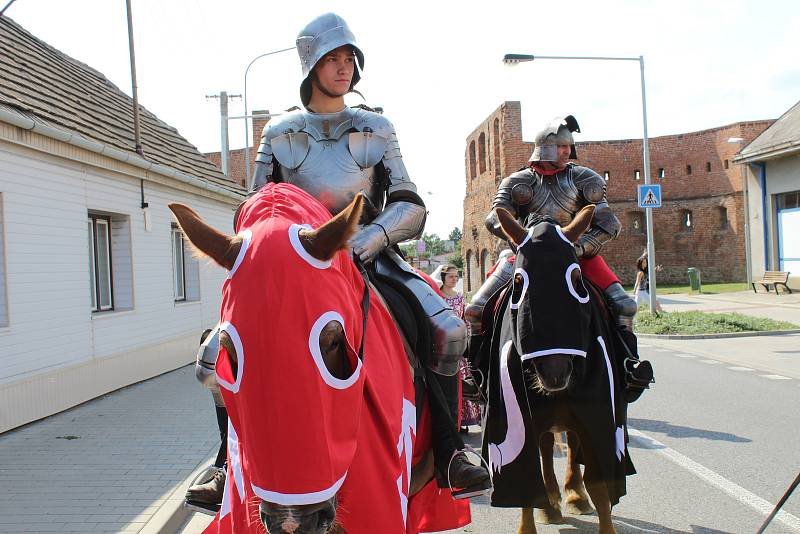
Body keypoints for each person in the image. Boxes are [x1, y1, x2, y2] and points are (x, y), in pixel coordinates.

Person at [248, 13, 490, 498]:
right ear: (311, 66)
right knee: (225, 344)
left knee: (447, 329)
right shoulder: (278, 133)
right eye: (332, 59)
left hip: (371, 256)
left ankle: (450, 451)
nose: (342, 68)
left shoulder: (375, 127)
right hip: (298, 265)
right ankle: (224, 460)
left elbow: (409, 203)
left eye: (348, 59)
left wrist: (363, 243)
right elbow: (256, 208)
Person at [465, 115, 652, 398]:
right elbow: (494, 219)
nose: (567, 151)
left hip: (577, 257)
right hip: (526, 258)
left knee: (624, 305)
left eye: (569, 146)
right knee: (477, 309)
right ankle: (477, 375)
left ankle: (627, 366)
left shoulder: (584, 179)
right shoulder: (518, 182)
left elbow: (608, 224)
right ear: (545, 147)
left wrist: (576, 247)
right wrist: (525, 242)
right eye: (562, 146)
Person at [436, 265, 482, 432]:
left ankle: (463, 421)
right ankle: (450, 420)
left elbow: (464, 320)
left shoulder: (460, 298)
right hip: (443, 346)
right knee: (448, 385)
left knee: (462, 383)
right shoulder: (437, 297)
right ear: (443, 278)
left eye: (456, 276)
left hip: (459, 346)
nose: (454, 279)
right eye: (451, 277)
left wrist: (467, 343)